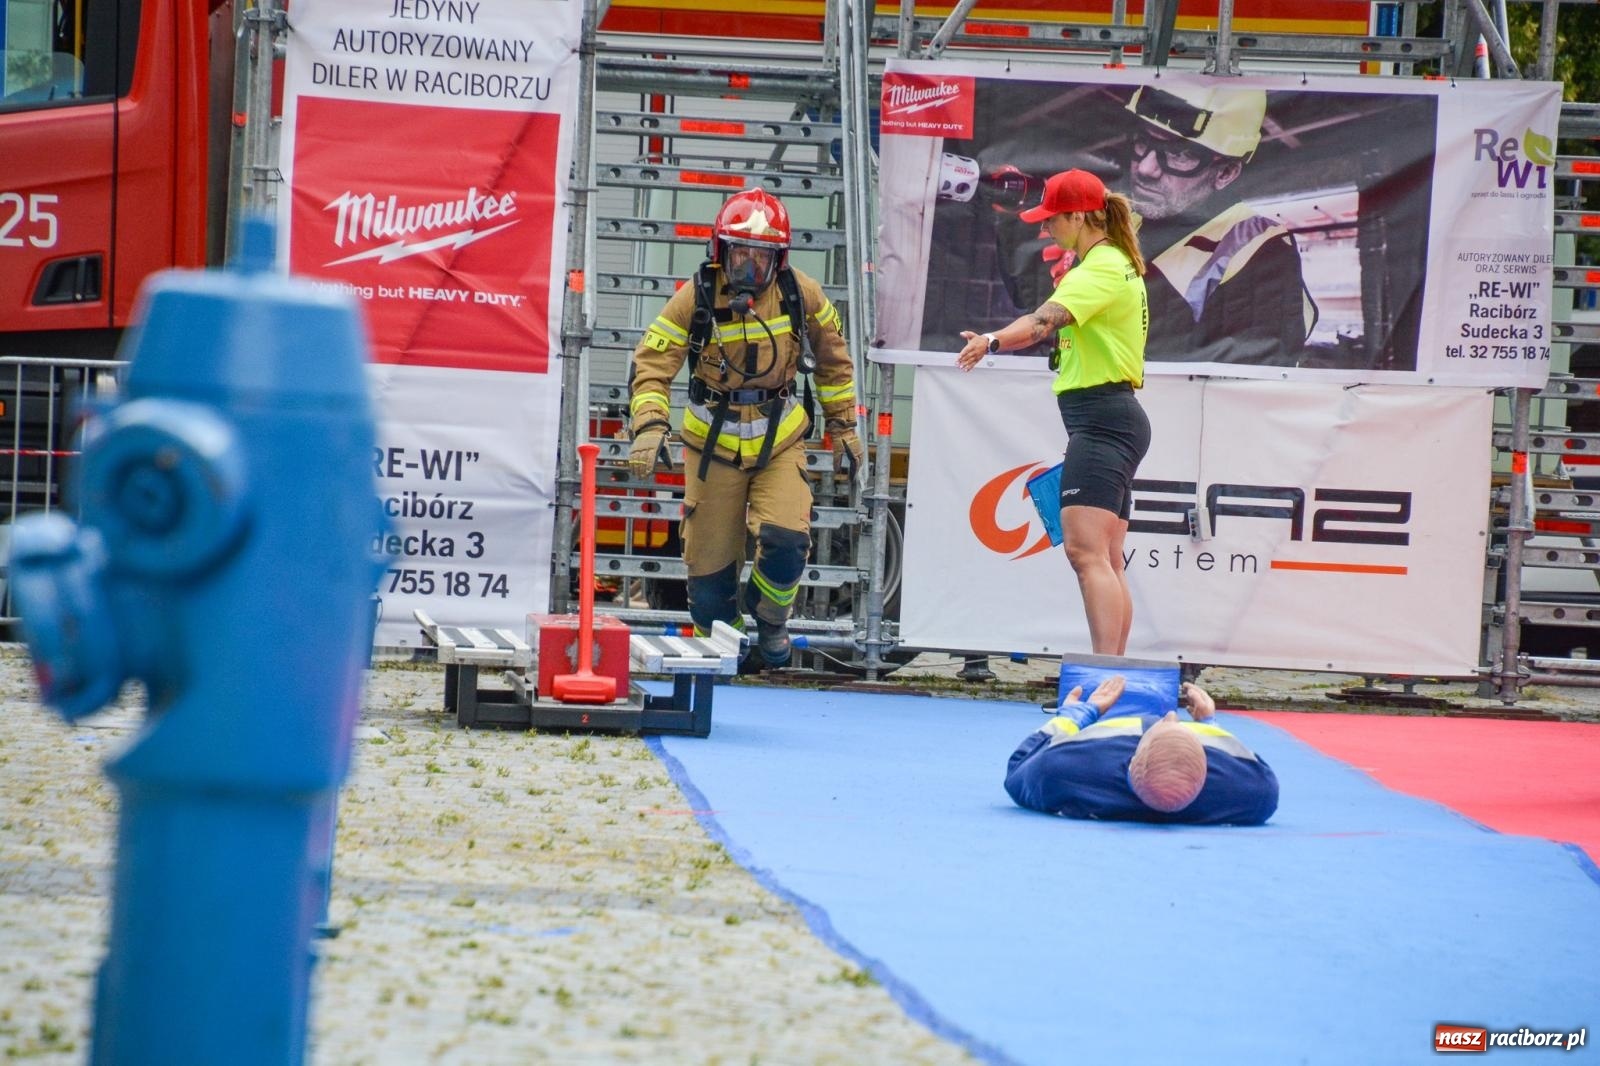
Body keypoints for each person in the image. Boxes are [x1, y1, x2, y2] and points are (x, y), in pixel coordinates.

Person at [627, 188, 863, 669]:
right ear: (721, 251)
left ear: (780, 258)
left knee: (787, 539)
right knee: (708, 578)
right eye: (741, 255)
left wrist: (843, 427)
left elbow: (835, 364)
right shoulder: (695, 296)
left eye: (762, 257)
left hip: (779, 441)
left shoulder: (801, 293)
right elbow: (651, 366)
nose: (750, 267)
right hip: (712, 447)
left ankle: (771, 619)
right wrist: (650, 425)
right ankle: (726, 652)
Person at [956, 168, 1150, 657]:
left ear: (1080, 217)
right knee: (1106, 558)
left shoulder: (1100, 268)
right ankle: (1112, 671)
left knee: (1087, 554)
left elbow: (1042, 322)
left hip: (1103, 420)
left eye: (1052, 219)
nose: (1045, 228)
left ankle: (1104, 672)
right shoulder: (1112, 263)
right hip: (1111, 417)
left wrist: (992, 340)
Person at [1123, 83, 1317, 367]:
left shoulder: (1259, 247)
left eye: (1179, 154)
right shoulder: (1124, 221)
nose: (1145, 168)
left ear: (1225, 173)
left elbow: (1253, 369)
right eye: (1142, 142)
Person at [1005, 674, 1279, 825]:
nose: (1170, 715)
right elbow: (1241, 759)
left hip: (1106, 740)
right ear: (1208, 766)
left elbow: (1018, 764)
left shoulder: (1062, 768)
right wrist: (1209, 725)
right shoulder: (1255, 792)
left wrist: (1077, 714)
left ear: (1133, 755)